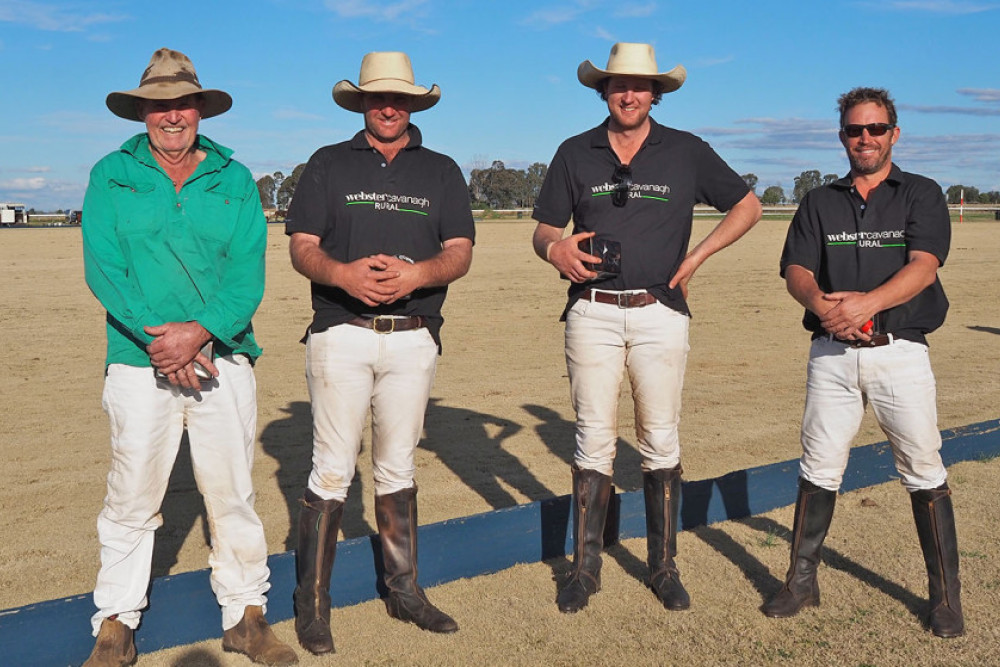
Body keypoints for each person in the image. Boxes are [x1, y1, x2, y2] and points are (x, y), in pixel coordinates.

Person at [81, 48, 297, 666]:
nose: (171, 116)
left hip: (222, 357)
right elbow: (105, 269)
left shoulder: (233, 177)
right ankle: (116, 624)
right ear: (142, 112)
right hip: (136, 358)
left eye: (181, 103)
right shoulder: (109, 175)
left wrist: (199, 332)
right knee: (130, 495)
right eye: (158, 105)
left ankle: (246, 616)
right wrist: (164, 342)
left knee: (230, 492)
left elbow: (246, 273)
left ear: (199, 108)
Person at [531, 42, 762, 614]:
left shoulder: (685, 150)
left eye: (639, 86)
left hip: (660, 312)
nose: (628, 94)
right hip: (591, 312)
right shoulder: (574, 151)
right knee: (593, 437)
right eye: (617, 85)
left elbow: (747, 206)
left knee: (660, 437)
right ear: (602, 91)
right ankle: (585, 571)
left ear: (655, 94)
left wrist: (697, 257)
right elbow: (542, 229)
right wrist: (554, 249)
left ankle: (662, 567)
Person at [285, 51, 474, 655]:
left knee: (398, 467)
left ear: (415, 104)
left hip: (414, 335)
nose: (389, 106)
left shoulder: (442, 171)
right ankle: (312, 604)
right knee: (333, 469)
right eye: (377, 97)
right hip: (339, 332)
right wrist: (342, 275)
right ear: (361, 102)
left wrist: (417, 274)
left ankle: (404, 590)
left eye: (400, 98)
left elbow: (460, 251)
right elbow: (301, 246)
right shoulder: (327, 164)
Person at [765, 87, 963, 638]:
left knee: (923, 470)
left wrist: (867, 304)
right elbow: (797, 271)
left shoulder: (921, 194)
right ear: (842, 137)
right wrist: (824, 308)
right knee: (818, 467)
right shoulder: (818, 201)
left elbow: (925, 265)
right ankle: (801, 583)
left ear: (894, 134)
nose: (866, 139)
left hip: (899, 352)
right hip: (831, 354)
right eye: (855, 130)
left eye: (876, 129)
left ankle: (946, 597)